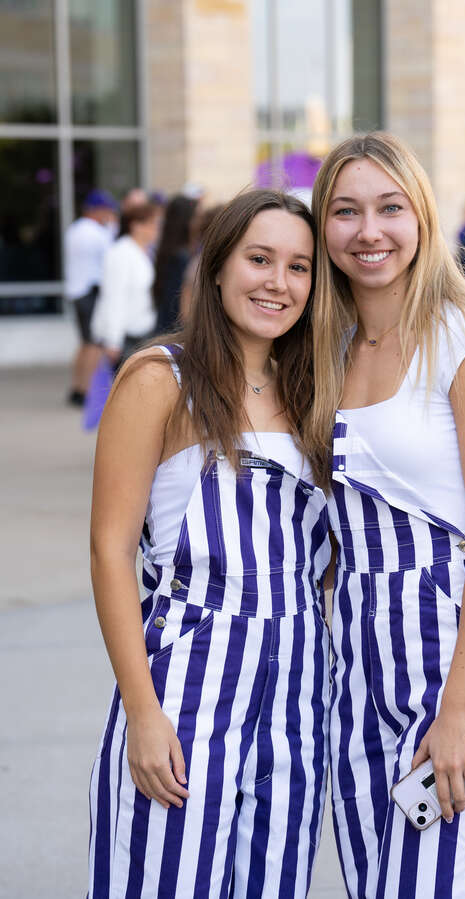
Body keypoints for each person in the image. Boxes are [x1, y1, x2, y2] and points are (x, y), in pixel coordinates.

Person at [310, 133, 465, 898]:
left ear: (423, 218)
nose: (366, 230)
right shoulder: (325, 346)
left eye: (388, 208)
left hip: (452, 648)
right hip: (359, 658)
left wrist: (461, 707)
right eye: (344, 211)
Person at [87, 190, 331, 897]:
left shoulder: (317, 390)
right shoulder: (160, 378)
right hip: (186, 682)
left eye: (298, 266)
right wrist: (142, 709)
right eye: (259, 258)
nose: (277, 282)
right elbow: (109, 550)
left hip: (297, 691)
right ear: (217, 265)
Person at [91, 202, 162, 367]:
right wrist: (113, 340)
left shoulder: (147, 251)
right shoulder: (120, 253)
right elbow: (114, 296)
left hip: (143, 331)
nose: (156, 229)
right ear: (136, 226)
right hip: (125, 337)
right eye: (152, 224)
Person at [64, 189, 118, 404]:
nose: (108, 214)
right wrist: (112, 226)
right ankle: (85, 392)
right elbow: (111, 253)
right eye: (106, 210)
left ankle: (77, 387)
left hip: (77, 291)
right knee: (94, 345)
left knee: (85, 343)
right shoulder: (96, 233)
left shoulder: (74, 229)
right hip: (89, 291)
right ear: (96, 210)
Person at [153, 193, 199, 332]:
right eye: (197, 216)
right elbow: (176, 301)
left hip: (164, 323)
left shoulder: (167, 247)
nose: (199, 221)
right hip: (172, 329)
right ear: (187, 220)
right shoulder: (181, 256)